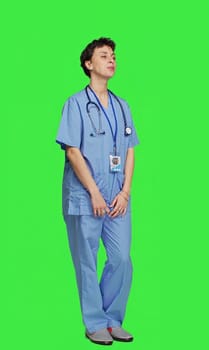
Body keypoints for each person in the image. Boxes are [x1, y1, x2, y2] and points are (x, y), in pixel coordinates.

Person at [56, 37, 138, 345]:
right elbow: (72, 152)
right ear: (89, 64)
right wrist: (93, 192)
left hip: (117, 196)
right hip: (85, 198)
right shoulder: (75, 104)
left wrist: (125, 191)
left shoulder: (122, 105)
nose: (112, 59)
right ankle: (94, 323)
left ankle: (112, 318)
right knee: (87, 261)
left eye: (114, 55)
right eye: (104, 56)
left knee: (121, 259)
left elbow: (130, 150)